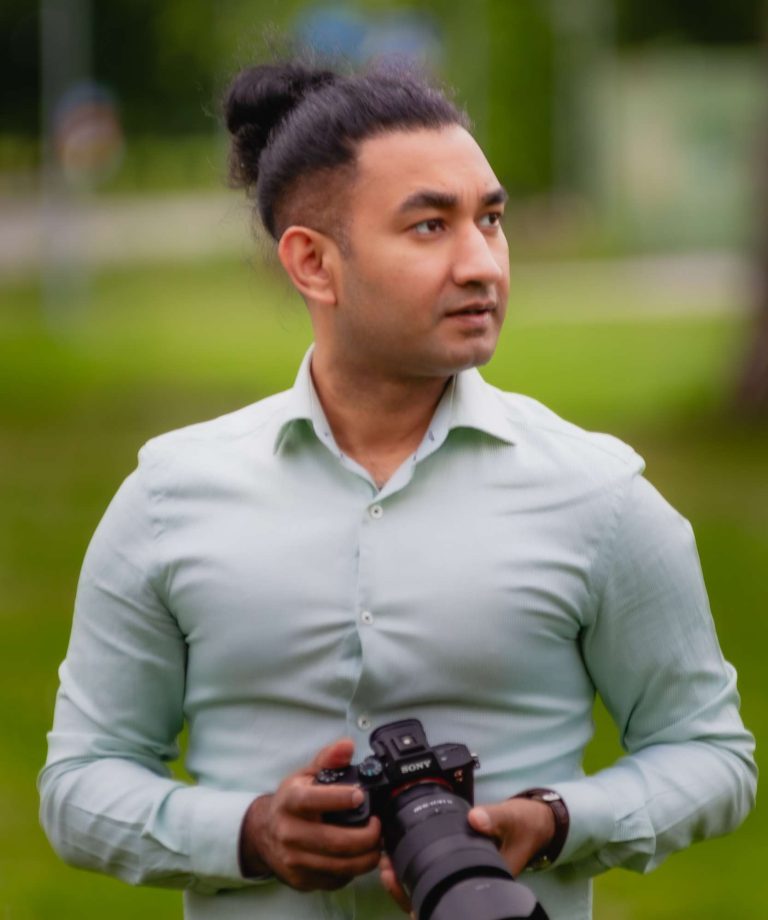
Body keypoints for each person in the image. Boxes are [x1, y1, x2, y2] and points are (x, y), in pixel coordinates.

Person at [39, 58, 756, 920]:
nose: (481, 264)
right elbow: (79, 784)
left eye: (491, 220)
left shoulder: (599, 495)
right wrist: (248, 833)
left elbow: (711, 754)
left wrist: (560, 820)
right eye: (429, 227)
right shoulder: (167, 497)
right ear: (313, 263)